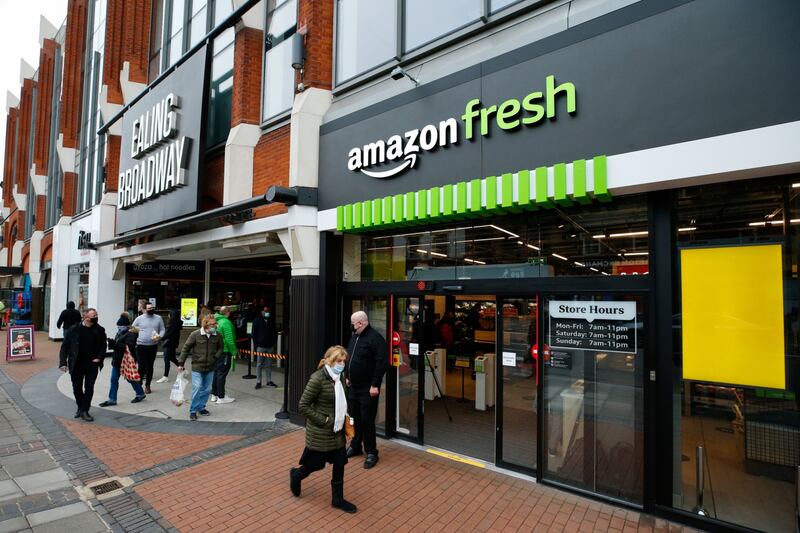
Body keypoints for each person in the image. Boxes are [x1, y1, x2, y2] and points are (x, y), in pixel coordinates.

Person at [290, 345, 357, 513]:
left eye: (343, 361)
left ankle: (337, 499)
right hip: (321, 431)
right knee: (314, 465)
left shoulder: (339, 377)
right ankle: (296, 475)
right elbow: (303, 406)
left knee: (340, 464)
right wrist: (325, 420)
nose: (342, 364)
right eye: (338, 360)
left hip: (337, 430)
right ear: (329, 361)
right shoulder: (318, 378)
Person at [345, 310, 388, 469]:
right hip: (353, 387)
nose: (351, 326)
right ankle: (356, 446)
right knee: (354, 418)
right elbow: (350, 357)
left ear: (361, 323)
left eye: (352, 323)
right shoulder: (355, 337)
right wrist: (348, 376)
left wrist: (375, 385)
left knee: (367, 420)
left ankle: (371, 452)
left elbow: (381, 363)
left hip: (368, 389)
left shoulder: (375, 339)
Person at [59, 308, 106, 422]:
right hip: (76, 364)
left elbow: (103, 346)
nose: (95, 317)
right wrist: (63, 362)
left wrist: (99, 358)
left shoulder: (100, 330)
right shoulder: (73, 330)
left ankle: (85, 410)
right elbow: (65, 347)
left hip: (92, 364)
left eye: (96, 315)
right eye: (93, 315)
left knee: (89, 387)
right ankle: (80, 407)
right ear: (85, 317)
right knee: (76, 388)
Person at [177, 315, 223, 421]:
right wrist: (180, 363)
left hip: (211, 366)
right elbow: (186, 348)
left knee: (207, 389)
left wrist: (215, 357)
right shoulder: (195, 334)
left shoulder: (217, 335)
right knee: (197, 387)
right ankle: (193, 410)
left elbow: (221, 348)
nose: (215, 326)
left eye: (215, 324)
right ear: (206, 325)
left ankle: (201, 407)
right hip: (197, 366)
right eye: (213, 324)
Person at [100, 314, 146, 407]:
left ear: (126, 326)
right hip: (117, 360)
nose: (118, 328)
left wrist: (115, 344)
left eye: (120, 326)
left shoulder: (131, 334)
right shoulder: (120, 333)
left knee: (131, 379)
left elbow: (128, 347)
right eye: (118, 326)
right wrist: (113, 343)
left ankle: (140, 394)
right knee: (114, 379)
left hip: (126, 361)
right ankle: (112, 399)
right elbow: (119, 345)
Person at [132, 302, 164, 394]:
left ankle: (148, 385)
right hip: (141, 345)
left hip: (152, 346)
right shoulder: (139, 318)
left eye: (152, 308)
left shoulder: (158, 318)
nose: (151, 310)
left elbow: (162, 329)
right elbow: (132, 328)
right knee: (141, 366)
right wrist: (140, 331)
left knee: (150, 366)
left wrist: (159, 336)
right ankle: (139, 384)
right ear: (145, 309)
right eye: (149, 308)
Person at [211, 306, 237, 404]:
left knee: (216, 373)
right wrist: (234, 351)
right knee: (221, 374)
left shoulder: (216, 321)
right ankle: (221, 397)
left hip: (216, 351)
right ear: (228, 312)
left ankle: (214, 394)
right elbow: (229, 340)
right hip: (225, 351)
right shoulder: (226, 323)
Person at [252, 305, 278, 389]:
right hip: (261, 346)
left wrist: (274, 343)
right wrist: (256, 345)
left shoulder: (271, 320)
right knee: (259, 364)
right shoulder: (257, 320)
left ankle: (269, 381)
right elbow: (254, 334)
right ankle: (258, 381)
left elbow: (275, 332)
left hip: (270, 346)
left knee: (269, 364)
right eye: (265, 311)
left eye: (268, 311)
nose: (267, 313)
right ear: (261, 312)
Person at [156, 307, 183, 383]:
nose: (168, 315)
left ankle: (165, 376)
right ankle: (182, 368)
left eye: (169, 314)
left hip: (169, 343)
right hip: (173, 343)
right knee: (172, 358)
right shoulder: (177, 323)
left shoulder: (172, 324)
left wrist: (159, 338)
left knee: (166, 359)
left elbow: (167, 334)